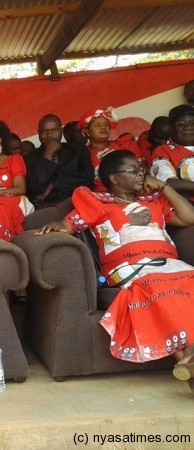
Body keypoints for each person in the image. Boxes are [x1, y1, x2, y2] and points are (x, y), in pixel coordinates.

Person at [36, 150, 194, 390]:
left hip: (170, 264)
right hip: (130, 269)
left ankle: (188, 362)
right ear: (114, 178)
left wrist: (163, 187)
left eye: (142, 169)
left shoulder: (154, 201)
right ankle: (188, 360)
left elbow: (189, 217)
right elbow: (68, 225)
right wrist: (55, 226)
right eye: (134, 170)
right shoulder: (98, 203)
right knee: (159, 287)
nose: (141, 174)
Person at [24, 114, 94, 207]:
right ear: (38, 132)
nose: (49, 136)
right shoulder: (29, 157)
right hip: (48, 206)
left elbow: (88, 177)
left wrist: (54, 184)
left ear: (61, 130)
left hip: (79, 201)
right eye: (44, 131)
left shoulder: (77, 149)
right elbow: (36, 186)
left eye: (54, 130)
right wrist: (48, 153)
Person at [78, 107, 147, 191]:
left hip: (133, 189)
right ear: (86, 131)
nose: (103, 127)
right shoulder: (83, 155)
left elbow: (141, 167)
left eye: (106, 124)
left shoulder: (124, 142)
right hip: (102, 196)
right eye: (97, 125)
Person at [150, 104, 194, 202]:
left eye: (192, 123)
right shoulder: (163, 151)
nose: (188, 127)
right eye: (180, 124)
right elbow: (168, 183)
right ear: (171, 129)